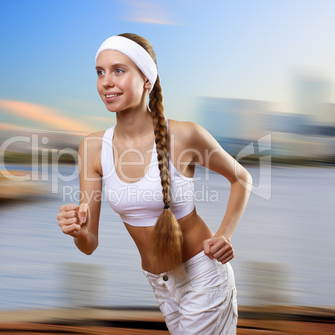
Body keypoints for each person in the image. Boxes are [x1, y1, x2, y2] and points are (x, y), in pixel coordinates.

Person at [57, 33, 252, 334]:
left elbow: (241, 178)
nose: (106, 82)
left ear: (147, 80)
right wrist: (78, 231)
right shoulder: (92, 148)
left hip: (203, 275)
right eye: (100, 72)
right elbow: (89, 244)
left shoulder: (185, 136)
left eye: (118, 70)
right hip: (159, 284)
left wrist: (225, 234)